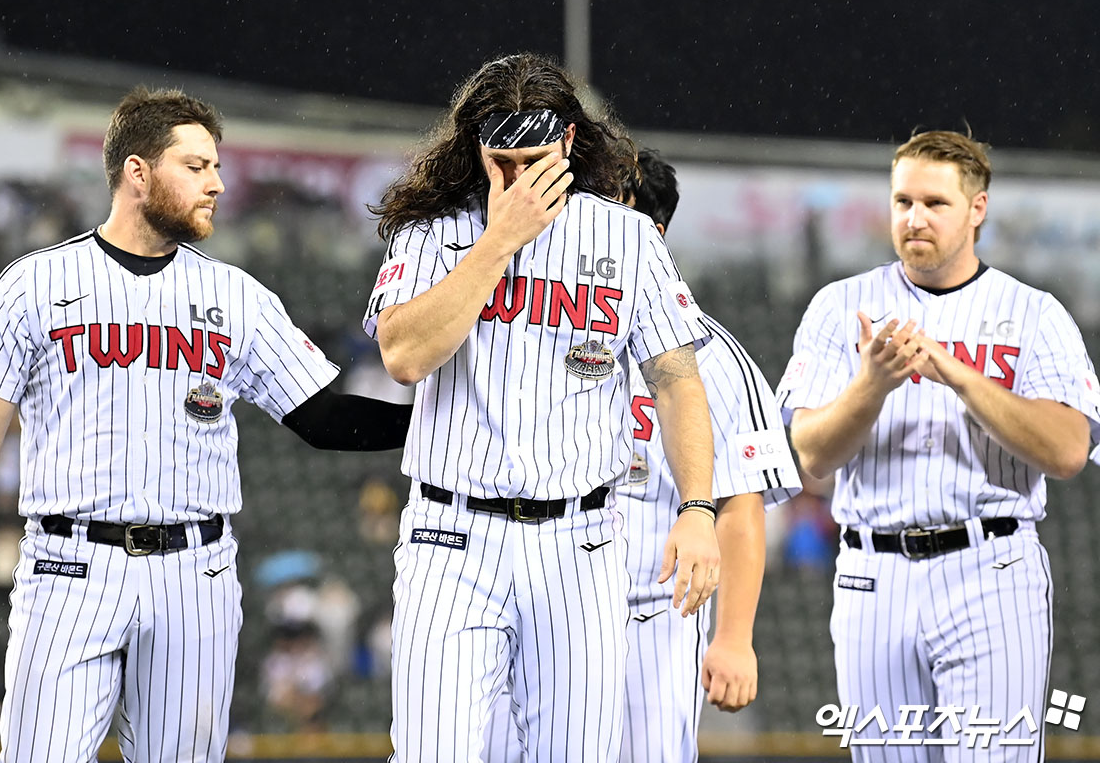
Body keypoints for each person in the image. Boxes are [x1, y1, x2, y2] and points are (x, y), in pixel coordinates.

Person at [0, 86, 410, 763]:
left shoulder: (237, 297)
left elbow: (322, 417)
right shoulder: (36, 282)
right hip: (66, 565)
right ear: (138, 173)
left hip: (194, 576)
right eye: (196, 167)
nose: (218, 184)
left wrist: (444, 419)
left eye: (217, 167)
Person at [364, 54, 719, 763]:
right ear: (477, 149)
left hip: (579, 544)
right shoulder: (433, 230)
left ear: (567, 142)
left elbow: (678, 380)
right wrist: (499, 239)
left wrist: (699, 510)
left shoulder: (626, 236)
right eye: (504, 160)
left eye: (535, 158)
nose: (520, 177)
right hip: (450, 538)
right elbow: (403, 356)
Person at [777, 130, 1100, 759]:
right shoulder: (839, 306)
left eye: (935, 203)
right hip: (873, 574)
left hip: (991, 570)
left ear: (977, 209)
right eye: (903, 202)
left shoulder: (1034, 313)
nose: (914, 218)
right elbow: (810, 454)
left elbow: (1067, 452)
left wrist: (957, 373)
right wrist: (871, 384)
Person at [483, 148, 803, 763]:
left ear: (649, 234)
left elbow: (741, 504)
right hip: (544, 599)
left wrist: (734, 639)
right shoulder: (547, 325)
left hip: (649, 615)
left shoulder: (714, 358)